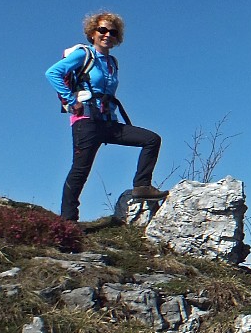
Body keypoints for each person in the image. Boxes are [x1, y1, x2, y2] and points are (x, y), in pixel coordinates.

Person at [45, 11, 167, 222]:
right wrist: (71, 101)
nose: (107, 34)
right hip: (86, 121)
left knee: (151, 139)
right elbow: (52, 73)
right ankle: (68, 222)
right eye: (102, 30)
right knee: (80, 170)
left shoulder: (112, 62)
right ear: (92, 33)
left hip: (108, 123)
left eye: (112, 31)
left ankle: (141, 186)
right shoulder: (84, 54)